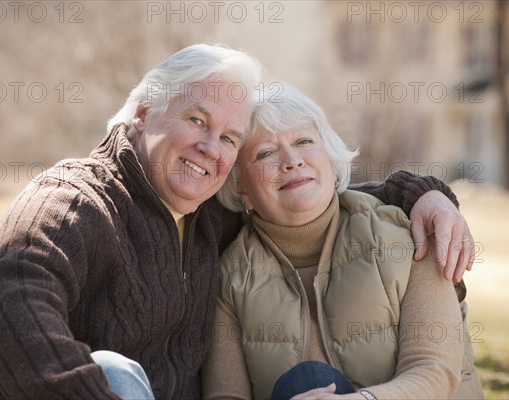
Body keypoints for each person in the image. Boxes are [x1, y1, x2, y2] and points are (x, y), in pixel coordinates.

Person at [0, 44, 474, 400]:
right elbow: (7, 302)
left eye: (227, 137)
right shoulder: (72, 201)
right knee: (114, 370)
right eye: (196, 120)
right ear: (143, 114)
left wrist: (424, 194)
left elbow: (308, 196)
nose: (209, 146)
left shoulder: (205, 220)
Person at [202, 84, 484, 399]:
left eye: (304, 141)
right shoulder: (231, 275)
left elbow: (434, 374)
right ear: (241, 188)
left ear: (331, 158)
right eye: (265, 153)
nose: (292, 160)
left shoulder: (407, 236)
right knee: (305, 381)